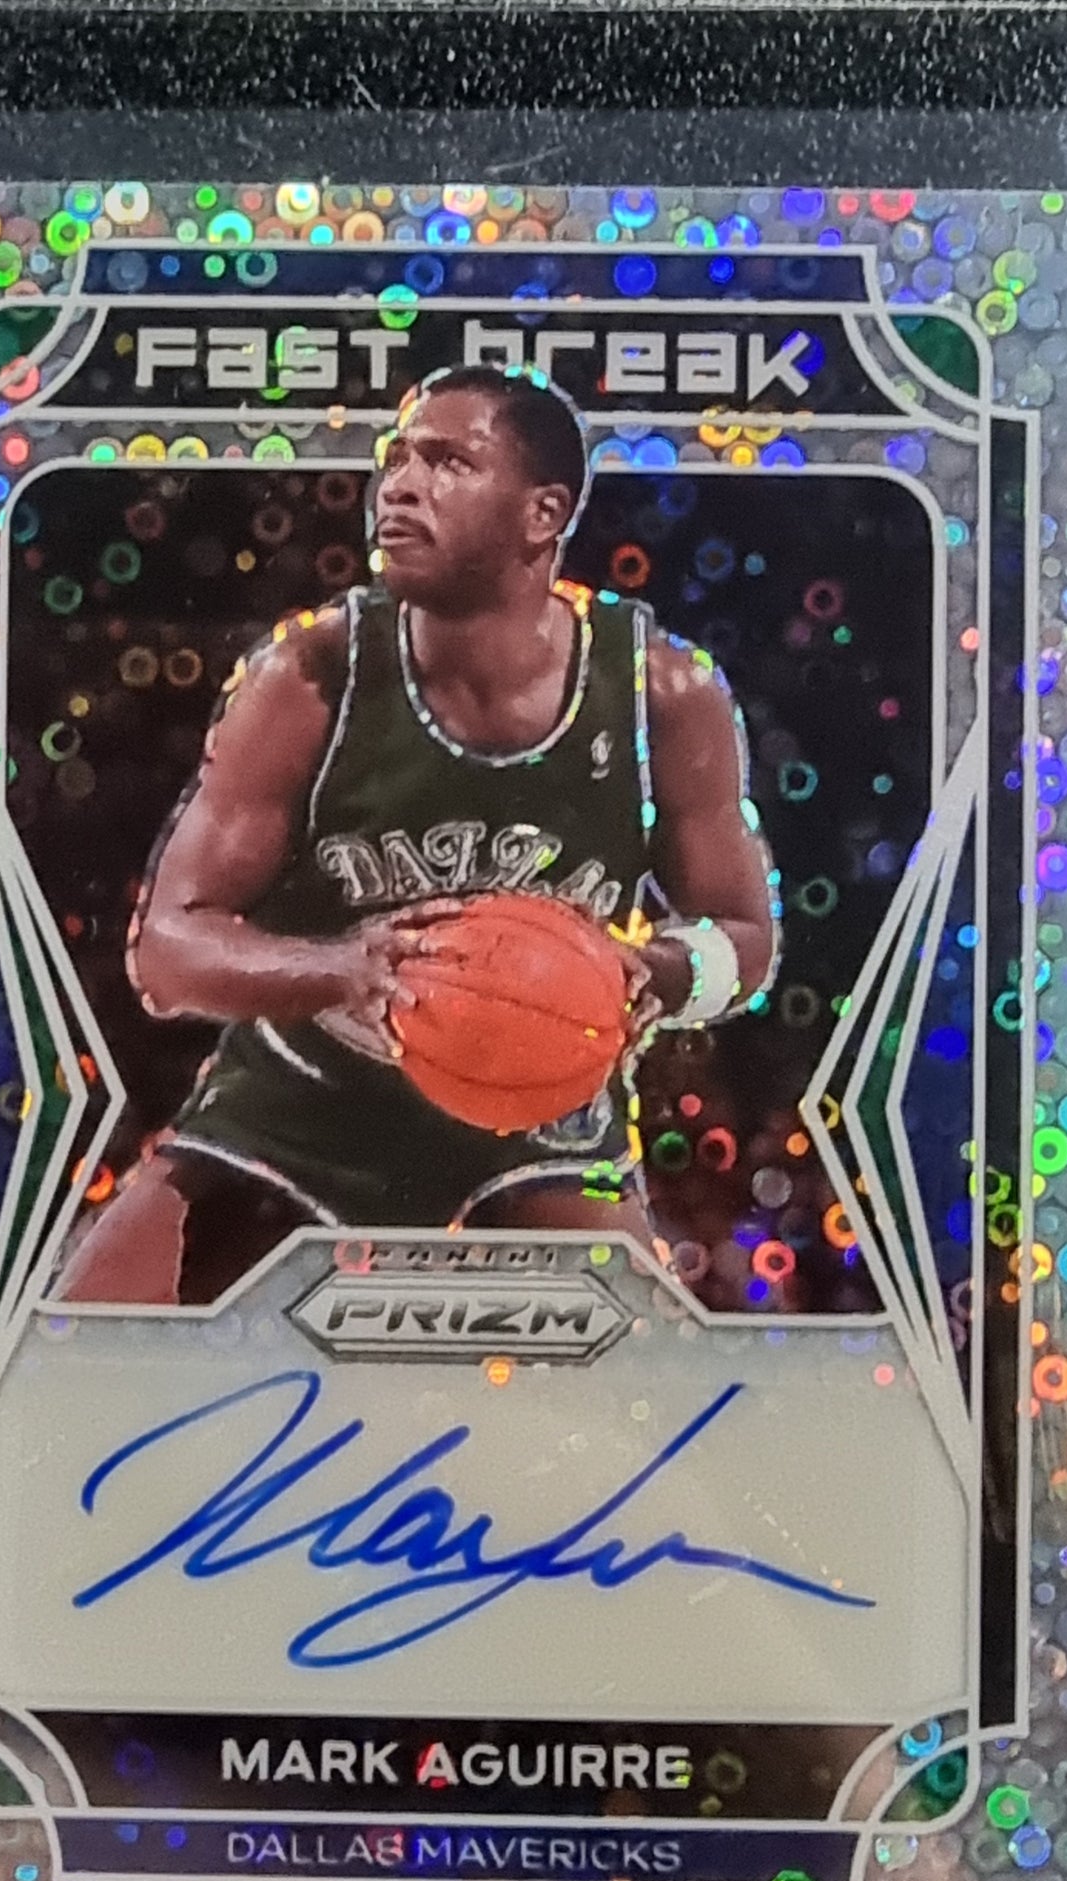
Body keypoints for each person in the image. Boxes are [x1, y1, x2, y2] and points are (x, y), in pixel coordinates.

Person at [57, 363, 779, 1304]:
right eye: (396, 459)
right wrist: (341, 970)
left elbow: (745, 935)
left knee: (651, 1383)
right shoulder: (310, 674)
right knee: (79, 1351)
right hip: (299, 1111)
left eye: (447, 462)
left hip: (538, 1128)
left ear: (543, 514)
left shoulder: (662, 693)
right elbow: (166, 952)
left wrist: (662, 971)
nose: (399, 486)